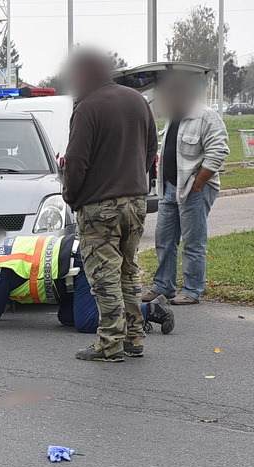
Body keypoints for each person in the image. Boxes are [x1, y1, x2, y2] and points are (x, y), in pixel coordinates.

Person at [61, 50, 158, 362]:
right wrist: (134, 180)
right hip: (136, 201)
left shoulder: (87, 107)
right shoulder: (137, 100)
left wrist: (71, 195)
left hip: (99, 206)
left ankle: (110, 344)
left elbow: (76, 161)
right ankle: (134, 337)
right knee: (128, 270)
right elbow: (151, 149)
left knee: (105, 277)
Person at [0, 231, 175, 334]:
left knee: (86, 323)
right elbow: (6, 293)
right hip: (74, 262)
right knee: (67, 317)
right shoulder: (2, 247)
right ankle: (126, 314)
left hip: (79, 264)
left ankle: (148, 311)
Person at [144, 71, 229, 306]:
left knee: (193, 242)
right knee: (164, 239)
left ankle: (192, 290)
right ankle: (163, 286)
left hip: (195, 190)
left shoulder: (206, 117)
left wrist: (198, 184)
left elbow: (218, 152)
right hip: (169, 188)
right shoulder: (174, 117)